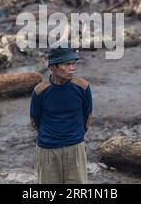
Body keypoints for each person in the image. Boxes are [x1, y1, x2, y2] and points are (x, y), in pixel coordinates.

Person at [30, 47, 93, 184]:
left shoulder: (82, 87)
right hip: (48, 149)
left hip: (75, 147)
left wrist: (75, 135)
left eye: (73, 64)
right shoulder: (40, 91)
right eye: (66, 64)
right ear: (53, 66)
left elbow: (87, 116)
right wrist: (51, 134)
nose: (72, 68)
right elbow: (35, 119)